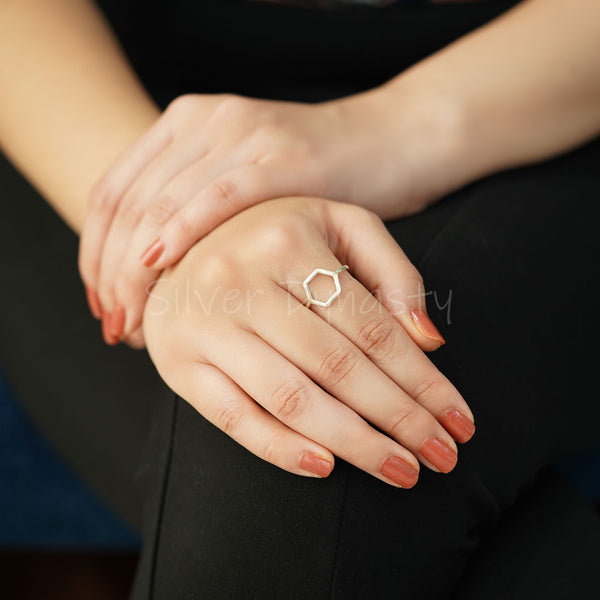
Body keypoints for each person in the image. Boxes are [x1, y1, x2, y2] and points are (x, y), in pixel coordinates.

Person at [0, 0, 599, 598]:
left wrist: (396, 127)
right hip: (95, 106)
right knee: (291, 429)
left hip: (536, 100)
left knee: (324, 442)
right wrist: (174, 217)